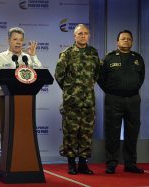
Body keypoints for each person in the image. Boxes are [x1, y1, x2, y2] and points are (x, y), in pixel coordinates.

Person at [97, 30, 145, 174]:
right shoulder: (109, 58)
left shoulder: (138, 58)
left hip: (133, 100)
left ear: (132, 42)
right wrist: (112, 91)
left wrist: (131, 89)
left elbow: (141, 78)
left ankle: (130, 164)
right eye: (123, 39)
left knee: (132, 132)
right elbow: (100, 78)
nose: (126, 41)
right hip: (113, 99)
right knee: (112, 132)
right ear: (117, 42)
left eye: (129, 39)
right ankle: (111, 163)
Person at [54, 24, 100, 175]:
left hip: (88, 101)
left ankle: (83, 164)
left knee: (86, 132)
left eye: (86, 33)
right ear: (74, 36)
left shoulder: (93, 53)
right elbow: (59, 75)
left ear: (89, 36)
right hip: (72, 101)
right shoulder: (67, 53)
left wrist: (86, 88)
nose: (83, 36)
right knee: (71, 132)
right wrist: (70, 91)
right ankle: (71, 164)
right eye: (80, 33)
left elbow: (96, 74)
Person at [0, 27, 42, 145]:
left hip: (24, 101)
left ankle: (22, 161)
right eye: (15, 39)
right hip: (4, 99)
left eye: (21, 40)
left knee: (23, 133)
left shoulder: (27, 58)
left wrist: (34, 56)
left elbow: (41, 74)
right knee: (5, 133)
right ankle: (6, 163)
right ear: (8, 40)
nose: (18, 42)